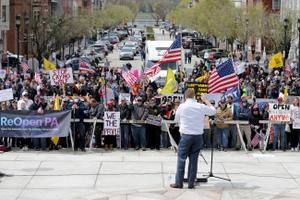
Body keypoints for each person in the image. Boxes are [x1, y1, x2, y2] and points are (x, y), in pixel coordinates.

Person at [170, 89, 216, 189]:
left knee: (181, 159)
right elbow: (213, 111)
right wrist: (205, 100)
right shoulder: (200, 106)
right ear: (194, 96)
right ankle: (191, 183)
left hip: (186, 135)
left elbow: (176, 120)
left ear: (185, 97)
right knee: (193, 160)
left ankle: (179, 182)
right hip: (198, 136)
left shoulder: (182, 106)